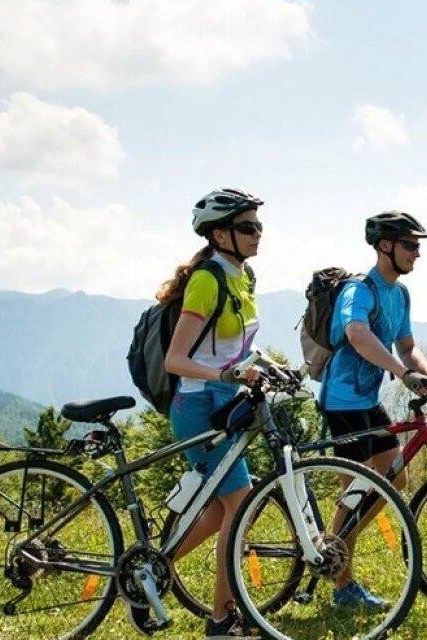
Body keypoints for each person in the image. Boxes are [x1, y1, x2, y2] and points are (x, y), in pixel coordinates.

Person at [319, 210, 427, 608]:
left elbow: (408, 347)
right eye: (410, 245)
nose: (417, 253)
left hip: (368, 400)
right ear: (385, 246)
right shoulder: (360, 290)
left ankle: (334, 545)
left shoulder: (400, 294)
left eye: (417, 246)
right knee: (356, 490)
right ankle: (341, 583)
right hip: (343, 402)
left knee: (394, 480)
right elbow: (357, 335)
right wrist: (401, 374)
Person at [159, 187, 264, 639]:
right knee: (238, 506)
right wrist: (227, 377)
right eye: (247, 227)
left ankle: (153, 570)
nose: (257, 234)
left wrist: (261, 367)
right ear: (220, 233)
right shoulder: (207, 280)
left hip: (226, 405)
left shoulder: (244, 277)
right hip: (200, 405)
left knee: (222, 512)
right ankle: (222, 620)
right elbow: (176, 359)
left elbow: (236, 347)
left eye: (258, 226)